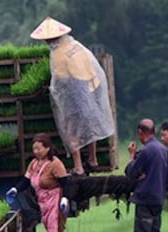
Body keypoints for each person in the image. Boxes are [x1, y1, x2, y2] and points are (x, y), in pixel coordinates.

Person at [30, 17, 115, 176]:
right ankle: (92, 159)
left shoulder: (58, 54)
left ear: (49, 39)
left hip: (73, 99)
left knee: (70, 131)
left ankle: (78, 167)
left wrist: (52, 89)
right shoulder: (76, 46)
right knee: (89, 126)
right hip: (89, 92)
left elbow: (61, 79)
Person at [11, 133, 69, 232]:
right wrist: (15, 189)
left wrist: (65, 199)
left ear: (47, 148)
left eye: (39, 149)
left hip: (55, 201)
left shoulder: (55, 164)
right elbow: (26, 181)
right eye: (34, 149)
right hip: (43, 202)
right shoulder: (34, 163)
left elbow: (66, 184)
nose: (36, 151)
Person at [125, 119, 167, 232]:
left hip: (145, 198)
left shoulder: (146, 151)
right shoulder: (163, 149)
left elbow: (131, 173)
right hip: (158, 197)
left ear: (140, 132)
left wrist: (131, 156)